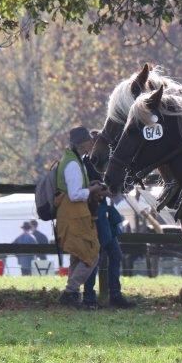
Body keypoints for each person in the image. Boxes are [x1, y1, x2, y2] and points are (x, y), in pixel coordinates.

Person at [56, 127, 106, 307]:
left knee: (78, 256)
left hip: (76, 215)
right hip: (74, 214)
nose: (91, 144)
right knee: (91, 255)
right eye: (89, 141)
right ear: (83, 143)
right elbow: (74, 194)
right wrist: (92, 189)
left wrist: (90, 184)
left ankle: (72, 295)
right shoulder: (72, 164)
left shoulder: (74, 161)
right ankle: (70, 291)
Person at [83, 195, 135, 309]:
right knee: (95, 258)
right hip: (95, 215)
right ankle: (89, 297)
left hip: (103, 216)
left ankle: (114, 295)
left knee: (115, 255)